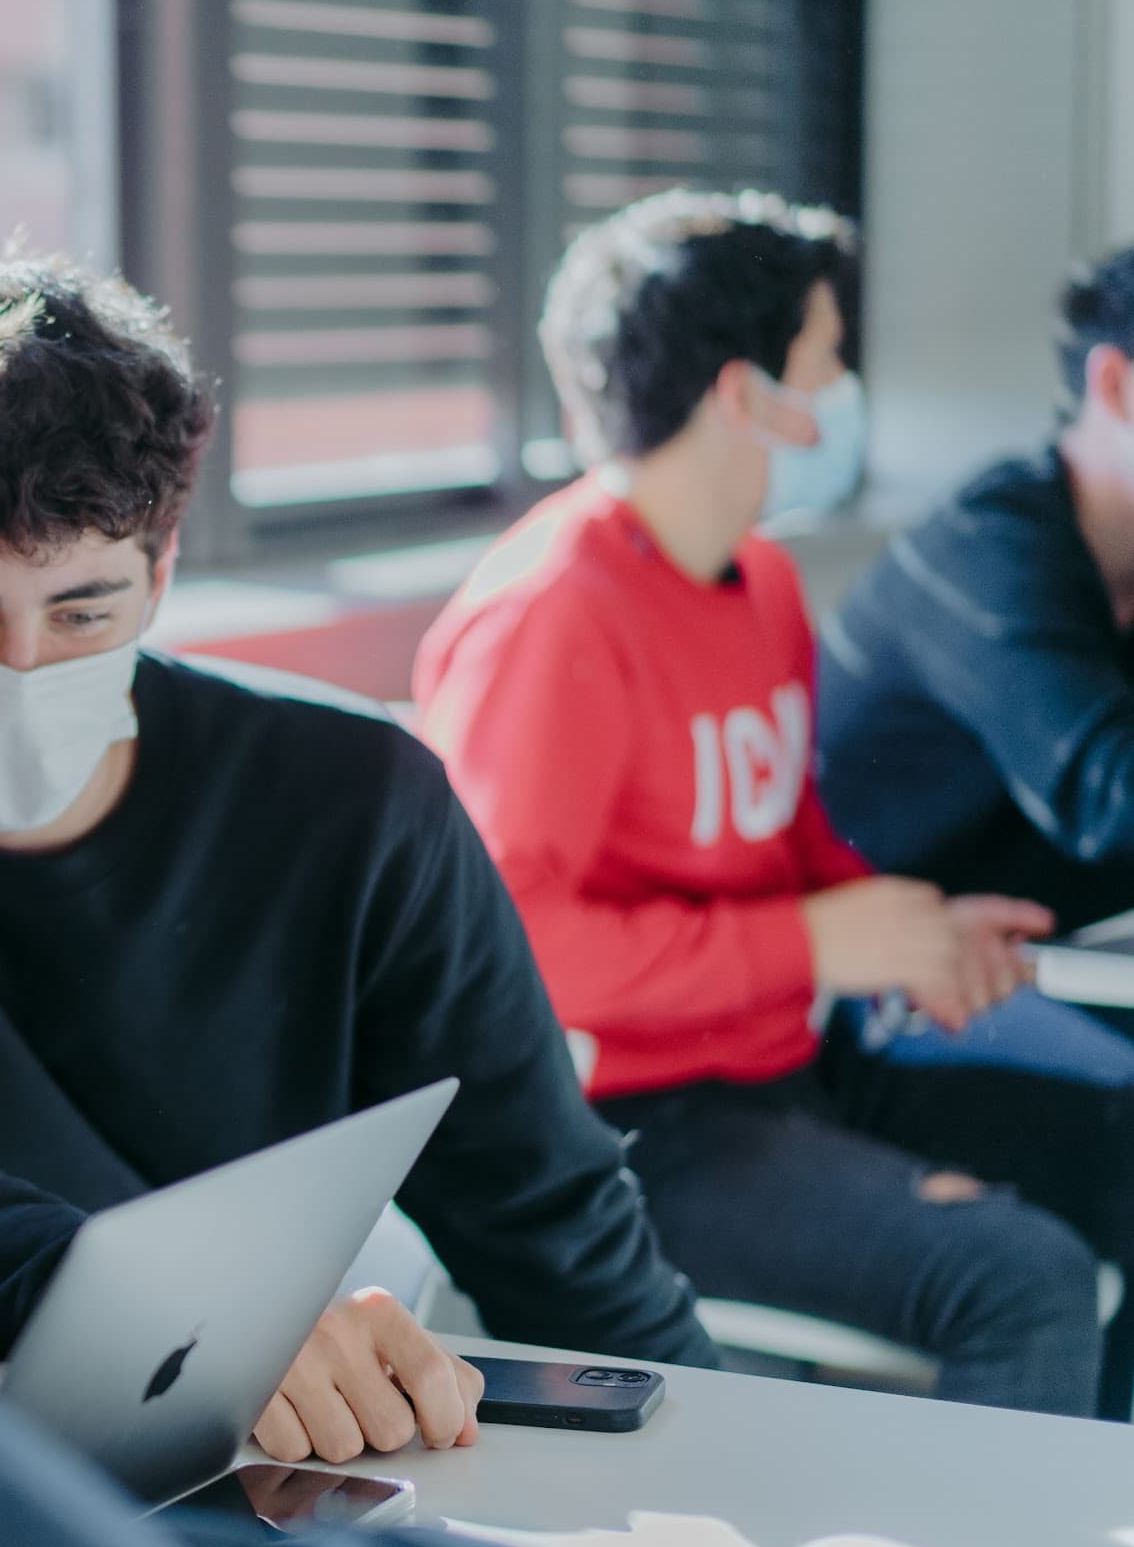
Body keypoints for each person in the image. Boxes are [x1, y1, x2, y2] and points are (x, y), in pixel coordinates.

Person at [0, 252, 719, 1474]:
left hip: (238, 1450)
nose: (22, 667)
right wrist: (197, 1331)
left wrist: (721, 1455)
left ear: (161, 572)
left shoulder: (354, 802)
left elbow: (544, 1205)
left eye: (83, 612)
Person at [416, 189, 1134, 1419]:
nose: (845, 389)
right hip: (629, 1125)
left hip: (788, 1056)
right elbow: (517, 952)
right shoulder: (551, 615)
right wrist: (811, 944)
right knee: (1024, 1281)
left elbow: (783, 833)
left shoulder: (760, 580)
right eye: (825, 359)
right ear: (744, 394)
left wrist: (904, 930)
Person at [813, 243, 1134, 1082]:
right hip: (883, 991)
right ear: (1116, 386)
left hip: (1048, 956)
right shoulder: (989, 549)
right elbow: (1111, 798)